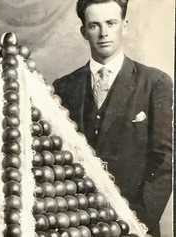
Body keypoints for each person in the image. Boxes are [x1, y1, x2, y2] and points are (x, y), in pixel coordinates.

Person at [53, 0, 172, 236]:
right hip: (77, 224)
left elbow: (165, 161)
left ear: (124, 26)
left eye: (111, 23)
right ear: (83, 31)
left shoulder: (155, 84)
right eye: (94, 25)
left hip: (135, 225)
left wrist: (135, 221)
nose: (104, 33)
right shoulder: (64, 87)